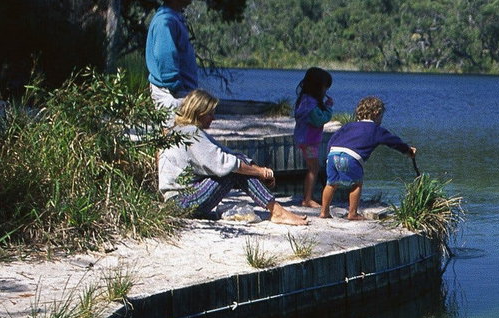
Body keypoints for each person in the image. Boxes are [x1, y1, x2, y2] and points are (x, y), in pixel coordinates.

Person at [159, 89, 308, 225]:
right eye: (210, 113)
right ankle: (277, 211)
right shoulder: (191, 133)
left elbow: (228, 153)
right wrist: (260, 173)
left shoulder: (181, 130)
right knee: (233, 169)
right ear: (200, 112)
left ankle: (276, 210)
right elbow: (227, 163)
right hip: (182, 202)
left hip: (178, 202)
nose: (214, 118)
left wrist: (261, 170)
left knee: (237, 164)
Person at [320, 95, 417, 220]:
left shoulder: (348, 126)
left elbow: (332, 140)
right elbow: (394, 142)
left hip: (333, 154)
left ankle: (324, 212)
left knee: (331, 184)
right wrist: (408, 151)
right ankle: (353, 213)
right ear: (377, 114)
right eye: (381, 115)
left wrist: (329, 156)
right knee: (356, 184)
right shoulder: (376, 130)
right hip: (352, 157)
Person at [146, 0, 200, 110]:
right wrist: (176, 88)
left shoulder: (174, 18)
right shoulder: (165, 21)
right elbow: (165, 55)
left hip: (180, 93)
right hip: (172, 94)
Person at [292, 67, 334, 209]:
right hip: (309, 141)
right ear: (317, 87)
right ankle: (307, 199)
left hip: (305, 139)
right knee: (314, 168)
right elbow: (319, 119)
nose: (325, 92)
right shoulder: (310, 104)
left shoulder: (305, 100)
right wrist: (328, 108)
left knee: (313, 167)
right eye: (324, 89)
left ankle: (308, 196)